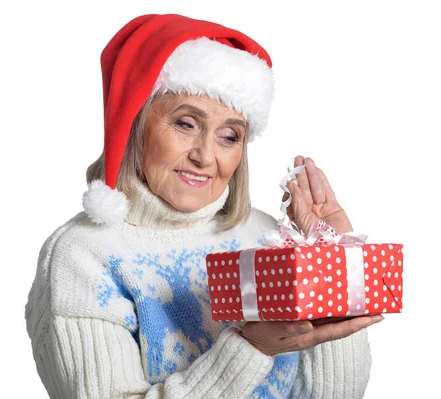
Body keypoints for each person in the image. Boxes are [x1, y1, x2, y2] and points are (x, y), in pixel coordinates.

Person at [25, 14, 383, 398]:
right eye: (185, 124)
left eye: (229, 136)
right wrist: (252, 347)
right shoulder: (82, 256)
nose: (205, 156)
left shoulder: (266, 239)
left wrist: (334, 259)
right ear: (135, 122)